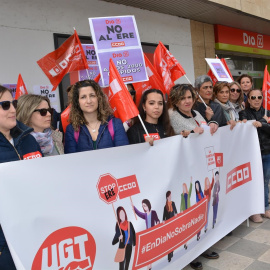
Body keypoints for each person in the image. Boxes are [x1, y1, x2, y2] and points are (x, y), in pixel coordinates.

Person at [0, 85, 42, 270]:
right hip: (5, 241)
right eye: (5, 105)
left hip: (35, 231)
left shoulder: (29, 139)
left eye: (14, 103)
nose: (13, 110)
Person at [64, 80, 129, 153]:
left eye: (92, 95)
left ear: (99, 98)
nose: (89, 101)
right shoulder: (72, 129)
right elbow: (72, 161)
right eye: (83, 97)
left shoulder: (116, 124)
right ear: (77, 102)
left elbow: (124, 155)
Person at [239, 89, 270, 222]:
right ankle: (254, 211)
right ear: (249, 99)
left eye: (259, 97)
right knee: (252, 182)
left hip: (266, 152)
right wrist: (263, 121)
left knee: (265, 181)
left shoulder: (267, 112)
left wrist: (261, 124)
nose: (257, 99)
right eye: (253, 97)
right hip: (251, 154)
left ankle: (265, 207)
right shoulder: (243, 113)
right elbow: (244, 128)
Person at [132, 199, 159, 270]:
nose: (144, 207)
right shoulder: (145, 215)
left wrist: (158, 223)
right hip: (147, 235)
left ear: (148, 205)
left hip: (153, 234)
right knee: (147, 251)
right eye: (143, 206)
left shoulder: (153, 212)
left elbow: (157, 220)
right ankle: (149, 266)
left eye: (145, 205)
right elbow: (138, 213)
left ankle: (150, 265)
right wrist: (133, 207)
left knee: (150, 251)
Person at [163, 191, 177, 263]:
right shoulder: (165, 207)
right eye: (170, 195)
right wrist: (163, 222)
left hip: (173, 224)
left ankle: (172, 252)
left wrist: (176, 216)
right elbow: (164, 217)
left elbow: (176, 212)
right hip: (168, 225)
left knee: (173, 239)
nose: (171, 196)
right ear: (167, 197)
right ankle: (169, 256)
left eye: (171, 195)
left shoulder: (173, 203)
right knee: (169, 240)